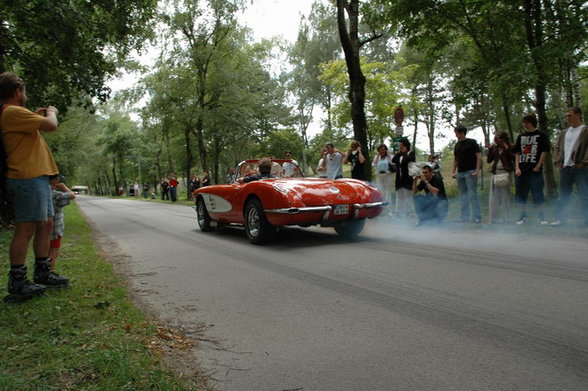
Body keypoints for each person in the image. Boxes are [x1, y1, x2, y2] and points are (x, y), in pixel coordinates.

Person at [0, 72, 68, 299]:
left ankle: (43, 271)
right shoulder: (12, 111)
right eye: (24, 90)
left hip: (37, 177)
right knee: (26, 227)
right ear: (18, 90)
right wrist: (51, 112)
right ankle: (18, 281)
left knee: (46, 224)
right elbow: (51, 125)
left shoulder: (17, 114)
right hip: (26, 177)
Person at [551, 106, 588, 227]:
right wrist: (557, 162)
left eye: (570, 115)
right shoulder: (564, 132)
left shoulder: (585, 130)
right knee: (563, 195)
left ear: (578, 115)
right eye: (567, 116)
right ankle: (561, 219)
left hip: (580, 168)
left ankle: (586, 221)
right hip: (565, 168)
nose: (568, 118)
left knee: (584, 195)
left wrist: (584, 162)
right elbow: (557, 148)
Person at [513, 113, 550, 225]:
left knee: (538, 194)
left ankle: (542, 217)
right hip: (522, 170)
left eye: (526, 122)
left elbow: (545, 151)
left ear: (532, 122)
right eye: (523, 122)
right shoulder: (521, 136)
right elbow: (517, 153)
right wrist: (517, 167)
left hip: (535, 171)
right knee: (521, 195)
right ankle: (523, 217)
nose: (524, 124)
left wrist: (538, 166)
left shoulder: (541, 135)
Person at [451, 125, 482, 223]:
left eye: (457, 133)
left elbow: (478, 156)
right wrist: (453, 171)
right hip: (461, 173)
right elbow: (456, 159)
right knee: (463, 196)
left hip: (470, 172)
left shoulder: (471, 142)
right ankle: (464, 216)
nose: (456, 135)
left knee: (472, 195)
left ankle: (477, 216)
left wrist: (477, 170)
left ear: (462, 133)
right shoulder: (457, 145)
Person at [49, 175, 75, 276]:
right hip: (55, 229)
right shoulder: (55, 194)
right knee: (53, 251)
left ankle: (45, 270)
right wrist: (64, 187)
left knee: (46, 251)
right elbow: (72, 195)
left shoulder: (44, 194)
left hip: (44, 230)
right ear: (54, 181)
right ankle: (50, 271)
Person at [487, 132, 515, 224]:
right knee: (494, 196)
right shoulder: (494, 148)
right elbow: (489, 160)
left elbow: (514, 158)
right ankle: (493, 218)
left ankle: (505, 218)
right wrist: (490, 150)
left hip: (505, 172)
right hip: (495, 172)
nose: (498, 141)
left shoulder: (510, 146)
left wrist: (507, 149)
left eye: (500, 139)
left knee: (505, 196)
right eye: (497, 139)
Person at [391, 138, 415, 219]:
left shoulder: (411, 153)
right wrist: (398, 153)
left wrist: (404, 153)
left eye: (401, 145)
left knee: (407, 196)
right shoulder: (400, 154)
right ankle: (398, 213)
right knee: (399, 196)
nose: (400, 147)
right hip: (399, 179)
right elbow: (393, 160)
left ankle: (409, 213)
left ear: (406, 145)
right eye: (399, 145)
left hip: (407, 178)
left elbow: (407, 160)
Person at [372, 143, 394, 214]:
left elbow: (393, 163)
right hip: (379, 176)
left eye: (384, 150)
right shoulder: (377, 157)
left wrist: (389, 155)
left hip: (387, 175)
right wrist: (378, 156)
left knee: (388, 192)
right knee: (381, 192)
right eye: (381, 150)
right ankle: (381, 209)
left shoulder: (389, 157)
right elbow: (374, 164)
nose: (382, 151)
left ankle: (389, 210)